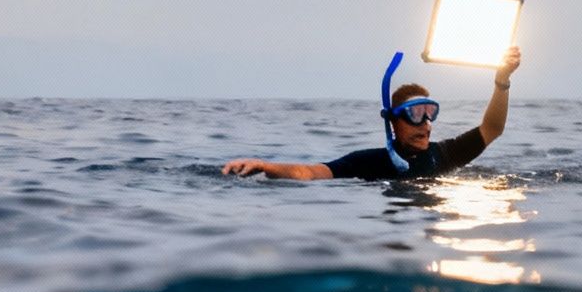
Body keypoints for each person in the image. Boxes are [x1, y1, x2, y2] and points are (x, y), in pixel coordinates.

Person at [222, 48, 522, 181]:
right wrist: (266, 166)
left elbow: (492, 128)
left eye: (430, 114)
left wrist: (502, 79)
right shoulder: (369, 162)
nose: (426, 124)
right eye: (415, 114)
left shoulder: (443, 155)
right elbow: (312, 173)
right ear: (393, 121)